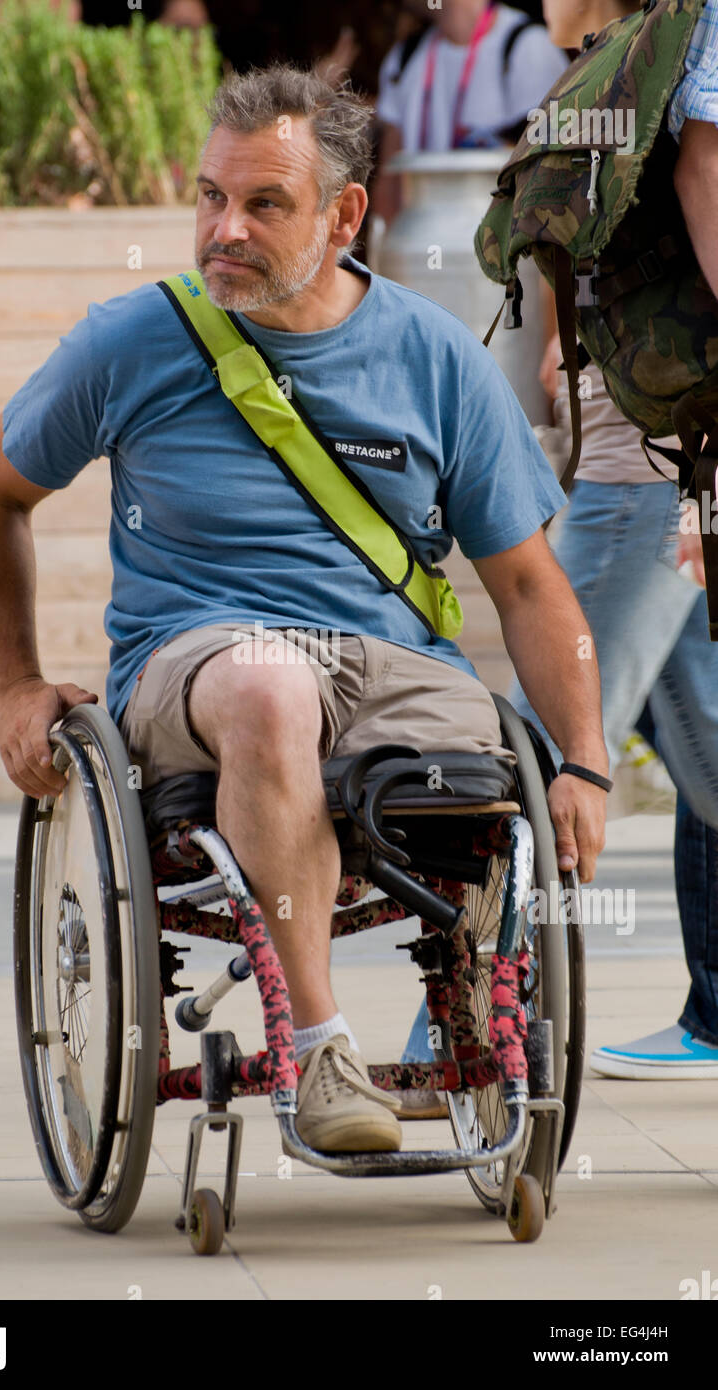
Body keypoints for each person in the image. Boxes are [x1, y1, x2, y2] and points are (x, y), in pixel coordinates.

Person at [0, 63, 609, 1155]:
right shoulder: (133, 340)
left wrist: (583, 761)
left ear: (343, 212)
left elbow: (531, 585)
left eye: (262, 204)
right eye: (211, 196)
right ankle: (317, 1050)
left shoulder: (433, 357)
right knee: (270, 684)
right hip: (200, 663)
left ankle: (470, 977)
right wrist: (15, 680)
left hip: (385, 663)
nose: (223, 229)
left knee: (505, 760)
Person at [402, 0, 718, 1083]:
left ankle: (449, 1037)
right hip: (656, 450)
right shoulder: (629, 51)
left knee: (539, 749)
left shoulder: (682, 29)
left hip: (653, 462)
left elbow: (700, 184)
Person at [372, 0, 568, 224]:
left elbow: (551, 179)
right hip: (424, 243)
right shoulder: (404, 57)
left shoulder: (528, 47)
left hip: (499, 249)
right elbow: (389, 183)